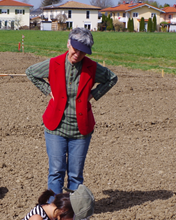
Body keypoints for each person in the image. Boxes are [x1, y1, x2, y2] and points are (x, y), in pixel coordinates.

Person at [26, 27, 117, 195]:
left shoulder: (92, 67)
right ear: (68, 44)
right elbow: (30, 72)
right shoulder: (54, 63)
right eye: (76, 49)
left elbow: (112, 78)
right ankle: (54, 212)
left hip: (81, 129)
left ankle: (73, 213)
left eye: (83, 52)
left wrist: (94, 94)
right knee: (56, 172)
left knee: (75, 175)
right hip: (55, 127)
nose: (78, 54)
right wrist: (47, 90)